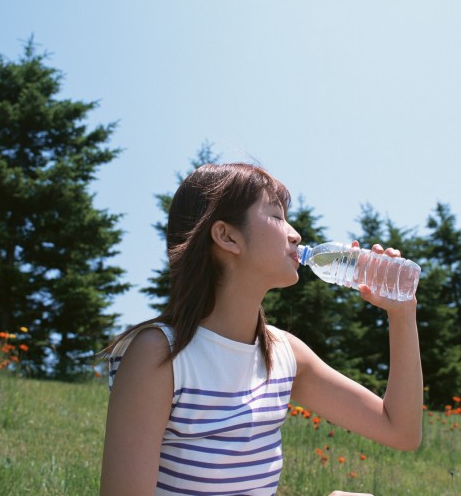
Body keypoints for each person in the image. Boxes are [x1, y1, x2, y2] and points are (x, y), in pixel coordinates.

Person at [99, 163, 423, 496]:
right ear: (227, 236)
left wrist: (402, 314)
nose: (295, 234)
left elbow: (400, 431)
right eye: (276, 216)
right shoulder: (160, 355)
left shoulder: (283, 354)